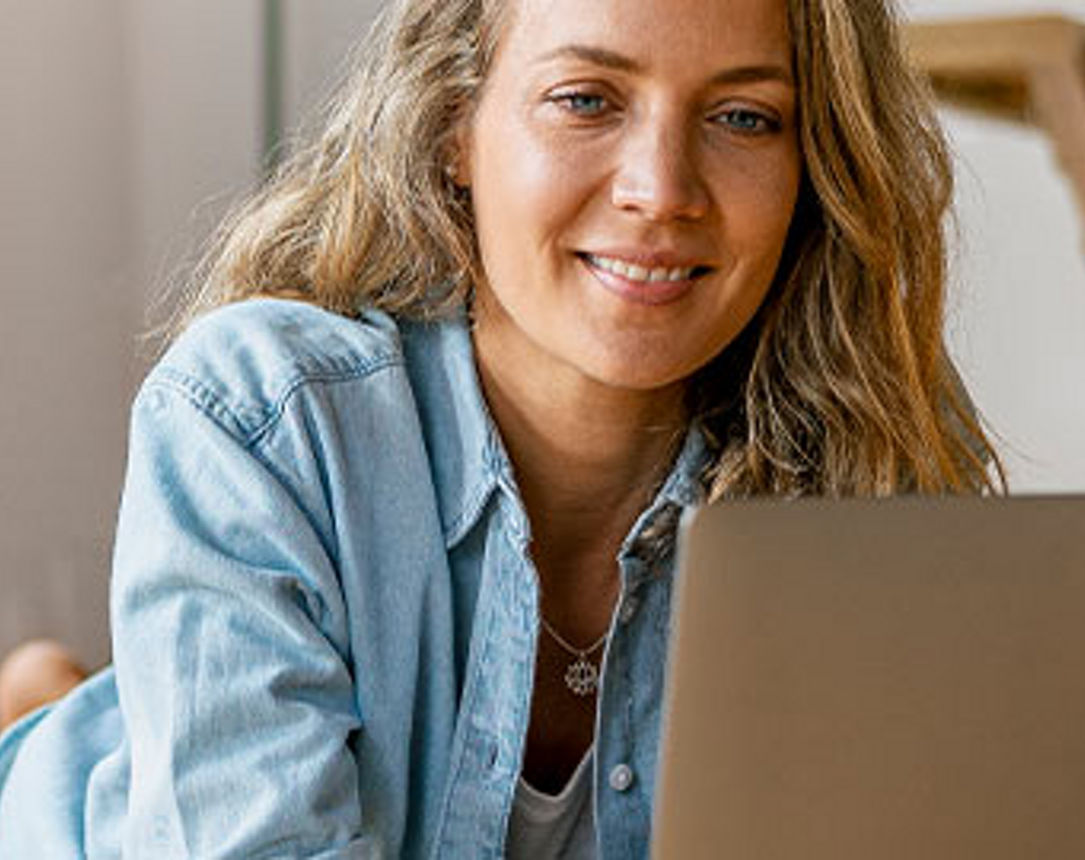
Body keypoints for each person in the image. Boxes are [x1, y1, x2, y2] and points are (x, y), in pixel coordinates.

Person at [0, 0, 1000, 856]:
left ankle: (60, 689)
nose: (661, 189)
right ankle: (49, 710)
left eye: (745, 116)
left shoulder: (870, 472)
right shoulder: (263, 418)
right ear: (453, 125)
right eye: (586, 99)